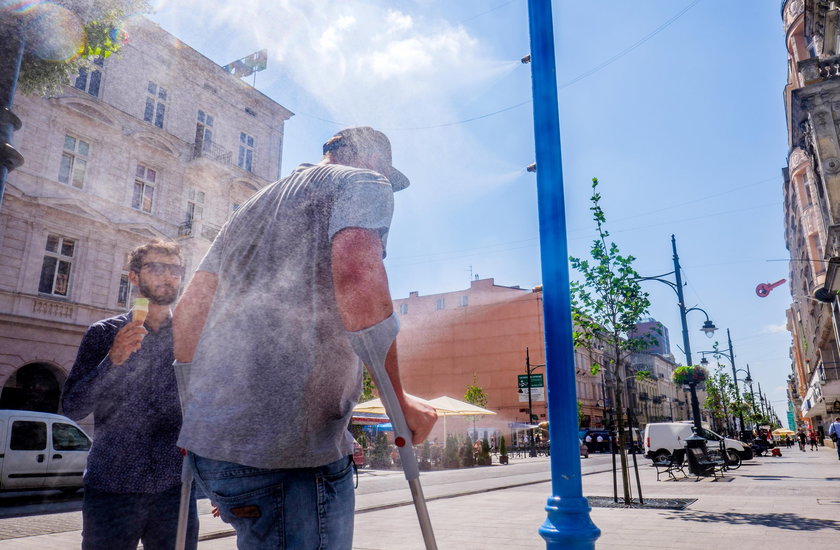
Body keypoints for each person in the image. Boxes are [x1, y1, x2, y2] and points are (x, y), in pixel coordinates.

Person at [172, 126, 437, 549]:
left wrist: (196, 410)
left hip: (214, 449)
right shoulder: (365, 181)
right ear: (373, 159)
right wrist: (398, 402)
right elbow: (358, 278)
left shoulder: (254, 205)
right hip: (291, 451)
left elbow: (189, 311)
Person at [61, 240, 198, 550]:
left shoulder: (190, 337)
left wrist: (218, 481)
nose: (168, 276)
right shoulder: (104, 333)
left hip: (175, 491)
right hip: (111, 488)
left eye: (175, 269)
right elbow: (72, 408)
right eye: (157, 268)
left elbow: (206, 411)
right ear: (134, 277)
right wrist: (112, 361)